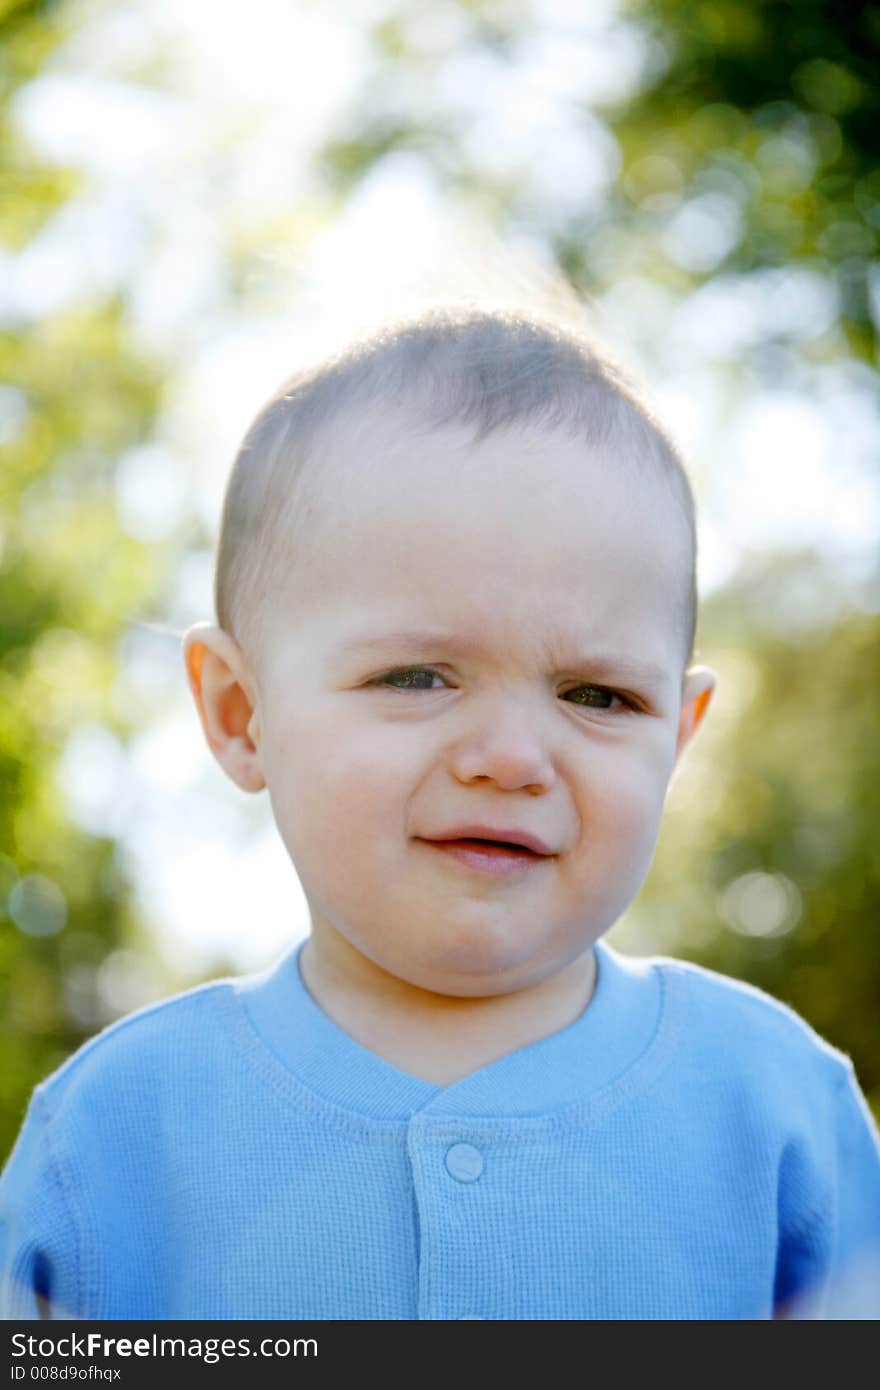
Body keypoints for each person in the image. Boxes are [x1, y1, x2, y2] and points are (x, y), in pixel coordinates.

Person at [2, 303, 879, 1321]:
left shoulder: (775, 1112)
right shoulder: (114, 1135)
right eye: (417, 676)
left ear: (677, 738)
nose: (509, 758)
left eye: (599, 696)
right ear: (243, 714)